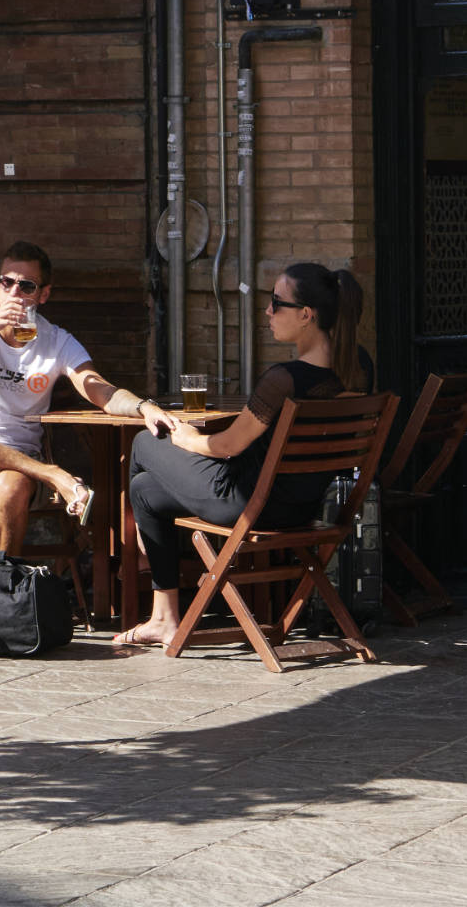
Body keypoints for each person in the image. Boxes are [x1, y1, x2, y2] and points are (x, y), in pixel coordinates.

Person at [113, 262, 370, 649]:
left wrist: (184, 437)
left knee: (145, 442)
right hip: (302, 508)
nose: (267, 312)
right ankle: (163, 616)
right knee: (145, 489)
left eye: (275, 303)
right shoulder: (359, 366)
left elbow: (227, 446)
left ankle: (135, 559)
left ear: (306, 315)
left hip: (247, 503)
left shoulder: (284, 379)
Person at [0, 240, 183, 554]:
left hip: (13, 467)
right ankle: (52, 475)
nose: (14, 293)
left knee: (12, 487)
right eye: (6, 282)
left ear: (43, 294)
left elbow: (98, 389)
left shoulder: (56, 342)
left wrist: (143, 407)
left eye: (26, 286)